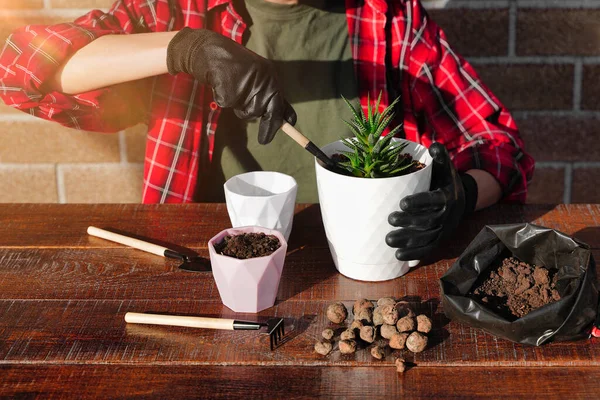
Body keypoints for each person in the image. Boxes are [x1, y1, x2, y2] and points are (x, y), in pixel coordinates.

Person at [0, 0, 534, 261]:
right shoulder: (181, 8)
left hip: (360, 264)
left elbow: (501, 147)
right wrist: (183, 49)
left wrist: (460, 195)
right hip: (209, 270)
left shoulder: (390, 18)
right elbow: (21, 69)